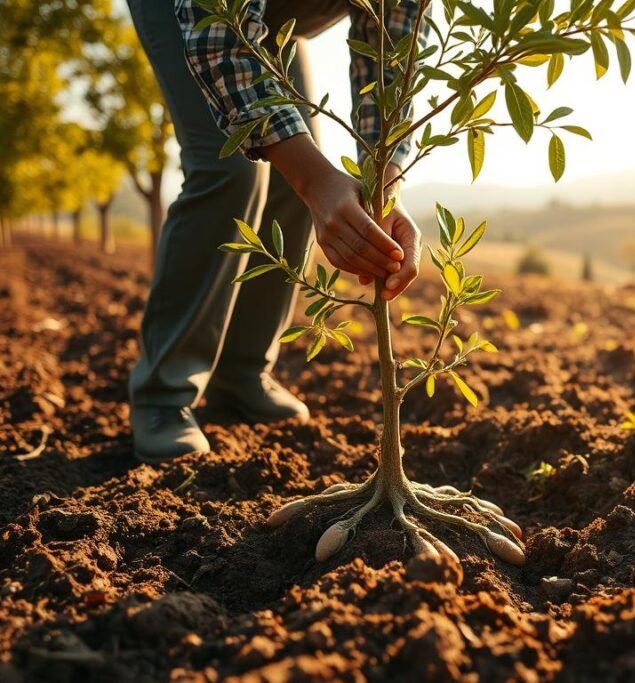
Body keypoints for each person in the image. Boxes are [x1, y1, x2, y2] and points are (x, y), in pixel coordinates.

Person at [126, 0, 424, 463]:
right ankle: (163, 395)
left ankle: (241, 373)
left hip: (273, 21)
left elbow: (391, 48)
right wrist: (313, 179)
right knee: (230, 171)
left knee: (301, 175)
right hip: (202, 13)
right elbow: (218, 37)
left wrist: (385, 185)